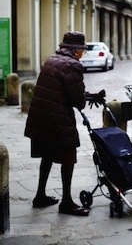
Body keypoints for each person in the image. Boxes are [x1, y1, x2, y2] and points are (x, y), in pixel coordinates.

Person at [24, 31, 105, 216]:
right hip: (57, 118)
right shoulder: (73, 65)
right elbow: (77, 100)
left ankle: (40, 195)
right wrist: (86, 98)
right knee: (68, 157)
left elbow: (64, 88)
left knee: (48, 154)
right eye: (82, 51)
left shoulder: (52, 59)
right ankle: (67, 202)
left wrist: (91, 95)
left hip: (41, 117)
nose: (83, 54)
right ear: (76, 50)